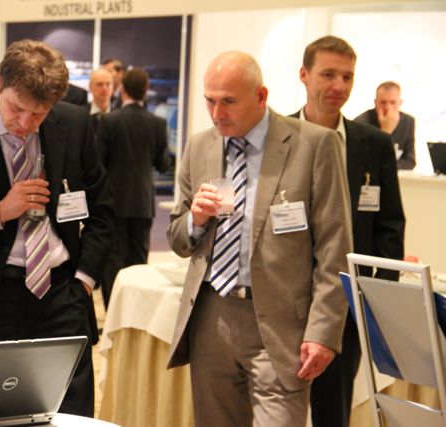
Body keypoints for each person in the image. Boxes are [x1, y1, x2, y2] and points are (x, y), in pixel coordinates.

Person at [0, 39, 114, 417]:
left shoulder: (75, 125)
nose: (26, 124)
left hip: (62, 291)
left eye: (39, 114)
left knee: (70, 410)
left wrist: (83, 280)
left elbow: (103, 210)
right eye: (17, 109)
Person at [166, 51, 352, 427]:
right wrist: (195, 220)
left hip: (281, 325)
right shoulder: (199, 146)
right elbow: (177, 238)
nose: (217, 113)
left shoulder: (314, 145)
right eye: (209, 100)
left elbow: (335, 248)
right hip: (211, 316)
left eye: (229, 101)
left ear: (261, 96)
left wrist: (323, 332)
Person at [294, 35, 405, 427]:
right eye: (328, 74)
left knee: (332, 410)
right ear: (304, 75)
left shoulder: (374, 144)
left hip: (345, 304)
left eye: (347, 77)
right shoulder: (278, 137)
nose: (339, 86)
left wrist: (376, 298)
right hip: (283, 299)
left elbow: (390, 225)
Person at [96, 67, 169, 308]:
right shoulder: (157, 123)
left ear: (123, 89)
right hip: (142, 201)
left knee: (113, 259)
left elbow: (99, 163)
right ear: (145, 91)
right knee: (138, 259)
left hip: (114, 201)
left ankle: (113, 310)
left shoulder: (109, 121)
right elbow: (163, 164)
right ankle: (135, 311)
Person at [354, 81, 416, 170]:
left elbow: (410, 161)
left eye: (393, 102)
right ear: (375, 102)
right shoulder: (360, 122)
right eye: (383, 102)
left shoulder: (408, 121)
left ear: (400, 103)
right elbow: (364, 161)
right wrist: (386, 131)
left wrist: (387, 169)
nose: (388, 107)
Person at [85, 67, 113, 132]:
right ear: (90, 87)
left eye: (108, 84)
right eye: (99, 84)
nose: (104, 89)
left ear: (113, 87)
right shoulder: (82, 114)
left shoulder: (120, 115)